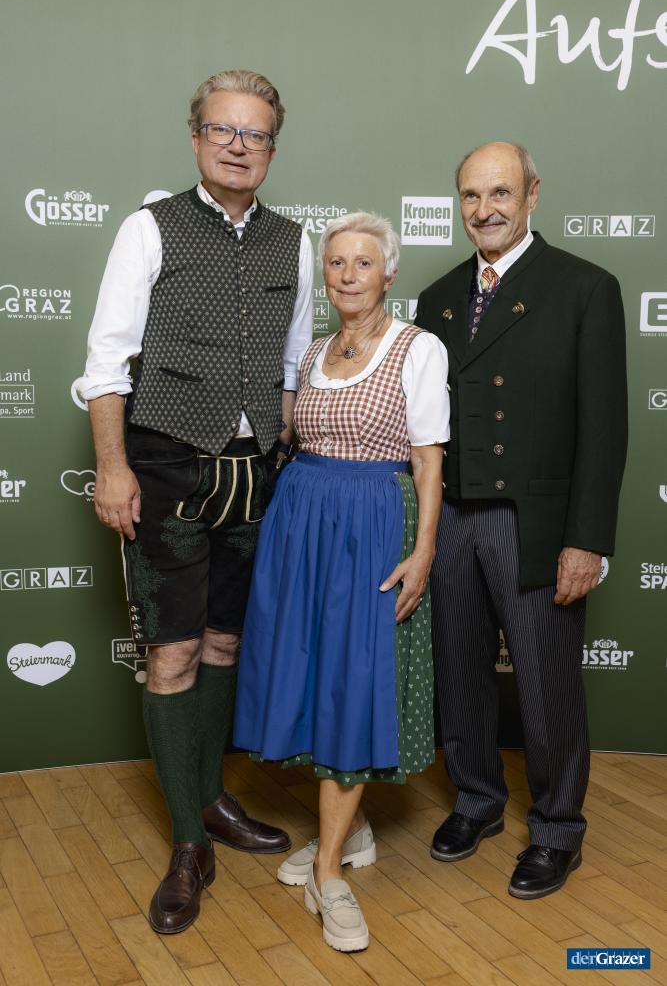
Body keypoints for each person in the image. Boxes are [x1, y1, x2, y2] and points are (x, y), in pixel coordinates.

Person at [75, 69, 314, 934]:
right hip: (166, 466)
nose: (239, 147)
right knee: (171, 655)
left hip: (254, 471)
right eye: (224, 130)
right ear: (197, 138)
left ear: (271, 149)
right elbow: (108, 361)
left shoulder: (296, 241)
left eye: (255, 135)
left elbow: (290, 366)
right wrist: (113, 468)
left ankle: (209, 800)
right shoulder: (149, 228)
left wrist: (288, 453)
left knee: (222, 644)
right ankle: (186, 845)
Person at [234, 212, 449, 950]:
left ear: (388, 273)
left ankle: (328, 871)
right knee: (313, 674)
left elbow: (428, 458)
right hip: (303, 522)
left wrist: (423, 551)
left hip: (372, 522)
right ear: (323, 275)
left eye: (363, 262)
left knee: (354, 681)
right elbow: (290, 437)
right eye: (335, 263)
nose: (348, 275)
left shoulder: (417, 348)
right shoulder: (314, 352)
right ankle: (350, 833)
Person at [417, 142, 627, 899]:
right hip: (452, 516)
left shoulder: (584, 287)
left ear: (532, 194)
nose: (485, 210)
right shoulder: (438, 297)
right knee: (457, 670)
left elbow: (604, 429)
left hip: (532, 520)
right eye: (471, 196)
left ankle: (557, 830)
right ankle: (476, 799)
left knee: (545, 682)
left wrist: (586, 540)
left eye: (500, 193)